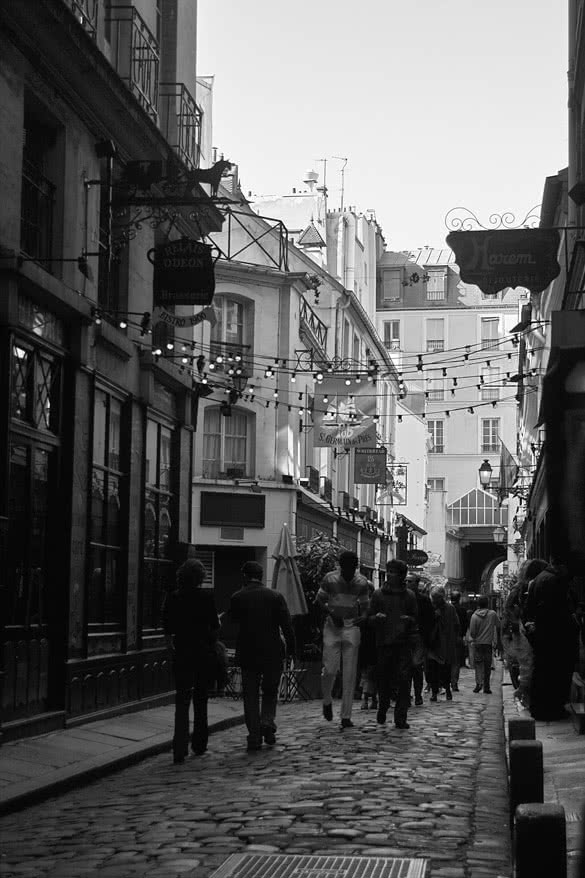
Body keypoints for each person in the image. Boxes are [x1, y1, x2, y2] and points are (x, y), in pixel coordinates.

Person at [227, 561, 295, 751]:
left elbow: (232, 623)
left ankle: (254, 735)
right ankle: (267, 722)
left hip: (248, 651)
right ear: (261, 574)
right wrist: (292, 647)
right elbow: (286, 625)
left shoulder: (237, 597)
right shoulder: (275, 596)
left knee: (250, 694)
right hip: (272, 651)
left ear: (245, 576)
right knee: (270, 690)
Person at [162, 558, 220, 764]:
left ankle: (179, 747)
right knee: (201, 698)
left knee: (182, 699)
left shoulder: (173, 597)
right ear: (200, 577)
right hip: (203, 652)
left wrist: (172, 647)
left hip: (183, 652)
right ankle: (199, 742)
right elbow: (214, 626)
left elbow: (167, 628)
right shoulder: (206, 597)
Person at [316, 550, 370, 729]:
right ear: (341, 566)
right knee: (330, 668)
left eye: (352, 568)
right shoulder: (330, 579)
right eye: (346, 568)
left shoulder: (362, 582)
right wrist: (331, 613)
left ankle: (346, 715)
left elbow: (365, 605)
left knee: (349, 672)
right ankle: (327, 699)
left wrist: (364, 617)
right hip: (332, 626)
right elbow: (319, 600)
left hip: (352, 626)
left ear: (355, 567)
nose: (349, 571)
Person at [522, 557, 580, 721]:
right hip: (554, 636)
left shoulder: (539, 580)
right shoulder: (554, 580)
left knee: (543, 673)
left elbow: (530, 609)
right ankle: (552, 709)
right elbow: (557, 611)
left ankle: (541, 708)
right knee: (554, 674)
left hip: (544, 635)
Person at [368, 559, 418, 729]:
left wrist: (408, 620)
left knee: (404, 681)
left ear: (401, 575)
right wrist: (376, 618)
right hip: (384, 643)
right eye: (388, 571)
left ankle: (400, 717)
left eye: (393, 572)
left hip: (403, 644)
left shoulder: (409, 596)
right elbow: (369, 618)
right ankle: (383, 707)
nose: (389, 574)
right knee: (384, 680)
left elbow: (416, 619)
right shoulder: (378, 595)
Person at [502, 558, 547, 705]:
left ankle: (526, 693)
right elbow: (509, 607)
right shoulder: (523, 587)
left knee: (527, 663)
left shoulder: (524, 586)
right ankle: (525, 693)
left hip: (525, 629)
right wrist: (517, 622)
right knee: (527, 662)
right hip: (524, 631)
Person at [405, 572, 434, 706]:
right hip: (404, 637)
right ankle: (406, 695)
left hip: (419, 636)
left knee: (416, 666)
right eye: (406, 581)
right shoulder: (402, 597)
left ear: (416, 584)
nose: (407, 583)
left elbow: (430, 619)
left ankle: (417, 695)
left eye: (410, 581)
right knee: (406, 667)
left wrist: (427, 637)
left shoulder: (424, 600)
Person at [427, 585, 460, 701]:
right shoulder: (449, 608)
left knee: (441, 669)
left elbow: (456, 624)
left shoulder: (445, 608)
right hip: (438, 643)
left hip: (440, 643)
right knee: (437, 669)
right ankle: (441, 692)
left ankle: (442, 691)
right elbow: (457, 624)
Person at [469, 595, 502, 694]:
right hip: (488, 643)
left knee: (478, 664)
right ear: (487, 604)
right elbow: (499, 625)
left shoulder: (474, 616)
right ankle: (486, 686)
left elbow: (472, 633)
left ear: (478, 604)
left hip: (478, 643)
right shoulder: (492, 614)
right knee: (487, 665)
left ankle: (478, 683)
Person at [358, 580, 378, 710]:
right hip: (370, 642)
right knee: (372, 672)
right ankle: (371, 698)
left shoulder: (360, 604)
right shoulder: (372, 605)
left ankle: (366, 698)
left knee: (367, 671)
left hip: (365, 641)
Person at [449, 591, 469, 692]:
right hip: (458, 637)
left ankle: (444, 682)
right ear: (459, 598)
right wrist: (463, 635)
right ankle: (454, 683)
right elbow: (465, 624)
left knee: (446, 660)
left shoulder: (447, 608)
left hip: (447, 637)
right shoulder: (462, 610)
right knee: (456, 662)